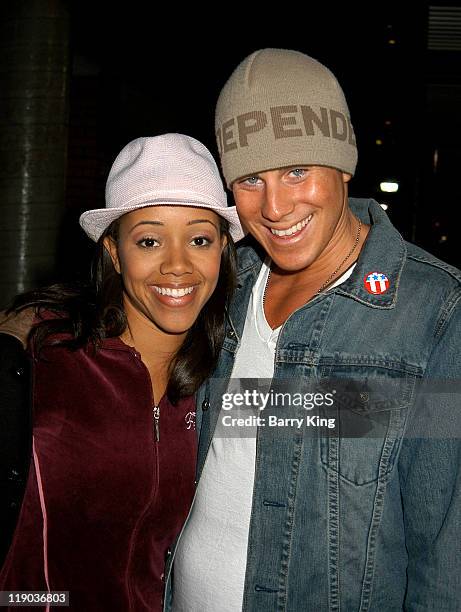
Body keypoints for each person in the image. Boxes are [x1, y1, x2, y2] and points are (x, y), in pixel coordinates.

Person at [167, 49, 461, 611]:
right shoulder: (222, 288)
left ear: (344, 165)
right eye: (251, 178)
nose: (275, 207)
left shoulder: (434, 315)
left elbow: (445, 558)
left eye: (297, 169)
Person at [0, 133, 243, 611]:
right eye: (149, 240)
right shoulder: (42, 357)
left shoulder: (222, 377)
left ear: (222, 252)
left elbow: (362, 413)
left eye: (199, 239)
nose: (177, 265)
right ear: (114, 253)